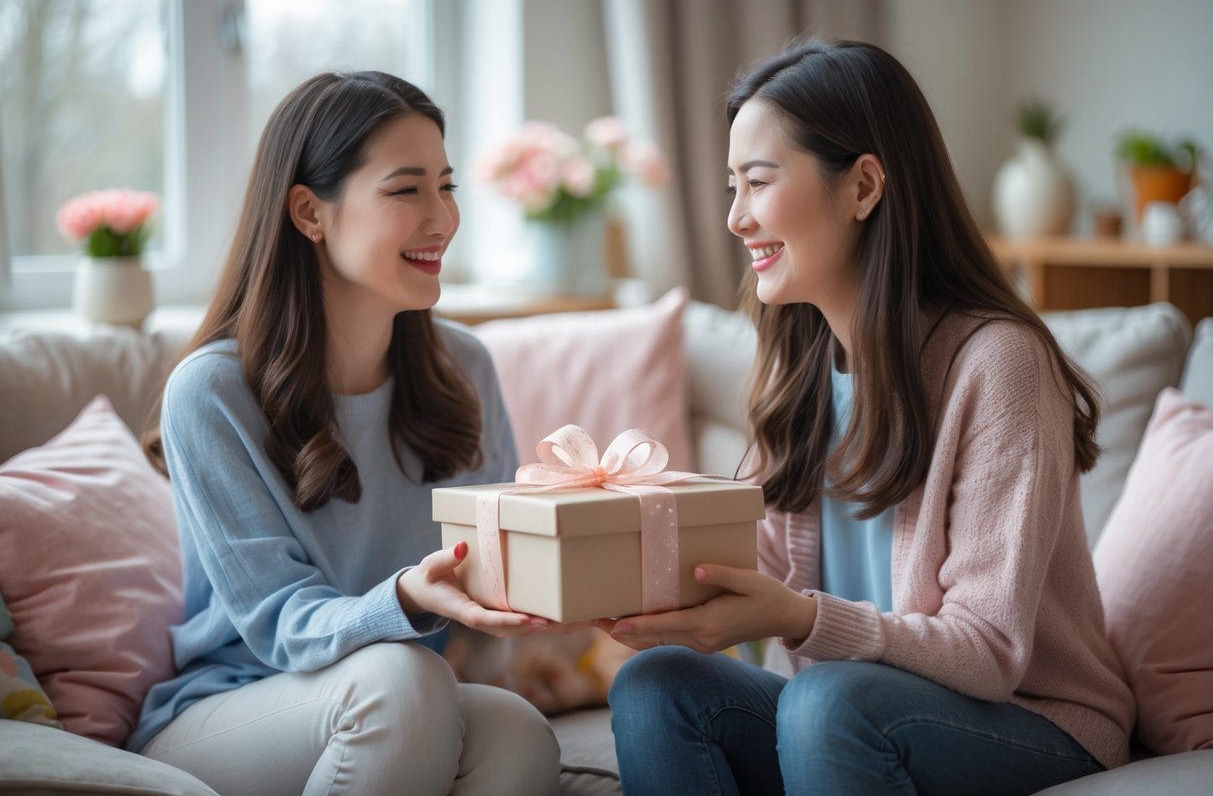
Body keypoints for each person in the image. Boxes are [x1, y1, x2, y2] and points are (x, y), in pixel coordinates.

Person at [603, 39, 1135, 795]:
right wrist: (615, 576)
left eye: (757, 182)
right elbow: (756, 573)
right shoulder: (797, 366)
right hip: (847, 712)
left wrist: (795, 615)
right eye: (731, 186)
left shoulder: (1000, 364)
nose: (733, 218)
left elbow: (986, 651)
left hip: (1032, 721)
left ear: (861, 186)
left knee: (827, 700)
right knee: (656, 685)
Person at [127, 71, 561, 796]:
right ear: (309, 212)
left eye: (447, 187)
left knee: (514, 729)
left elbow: (495, 567)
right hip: (230, 708)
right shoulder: (211, 393)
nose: (442, 219)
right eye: (405, 190)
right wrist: (410, 598)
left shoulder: (464, 365)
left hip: (395, 695)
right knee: (401, 678)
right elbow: (278, 622)